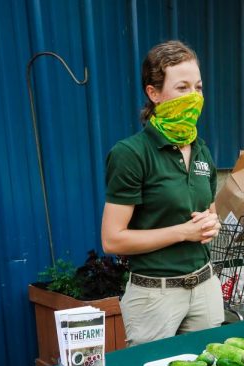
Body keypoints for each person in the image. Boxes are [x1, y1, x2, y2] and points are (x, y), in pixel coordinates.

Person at [101, 40, 223, 346]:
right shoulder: (131, 154)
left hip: (205, 287)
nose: (194, 97)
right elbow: (112, 239)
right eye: (182, 88)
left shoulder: (202, 150)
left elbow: (208, 212)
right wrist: (183, 232)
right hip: (155, 295)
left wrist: (212, 224)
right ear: (154, 93)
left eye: (198, 87)